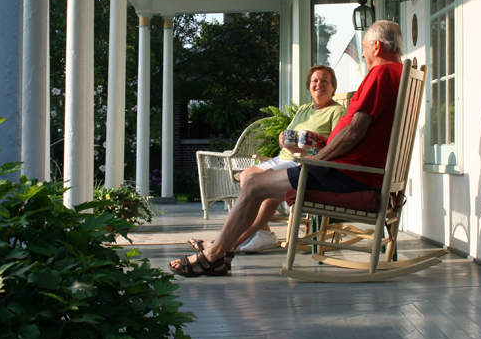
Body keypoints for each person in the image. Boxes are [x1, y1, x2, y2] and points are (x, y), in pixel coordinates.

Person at [170, 20, 404, 277]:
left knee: (254, 185)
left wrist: (316, 160)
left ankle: (214, 255)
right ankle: (221, 251)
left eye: (364, 48)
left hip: (347, 174)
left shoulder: (381, 74)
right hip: (356, 172)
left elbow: (354, 132)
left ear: (377, 46)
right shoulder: (399, 73)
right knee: (254, 183)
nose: (362, 53)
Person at [233, 65, 346, 253]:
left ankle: (250, 237)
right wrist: (283, 140)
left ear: (333, 86)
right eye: (315, 81)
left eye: (324, 80)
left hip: (304, 163)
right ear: (309, 86)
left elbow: (335, 146)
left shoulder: (336, 111)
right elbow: (291, 137)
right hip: (285, 157)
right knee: (246, 176)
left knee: (260, 183)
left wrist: (316, 144)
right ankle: (265, 233)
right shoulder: (303, 109)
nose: (319, 84)